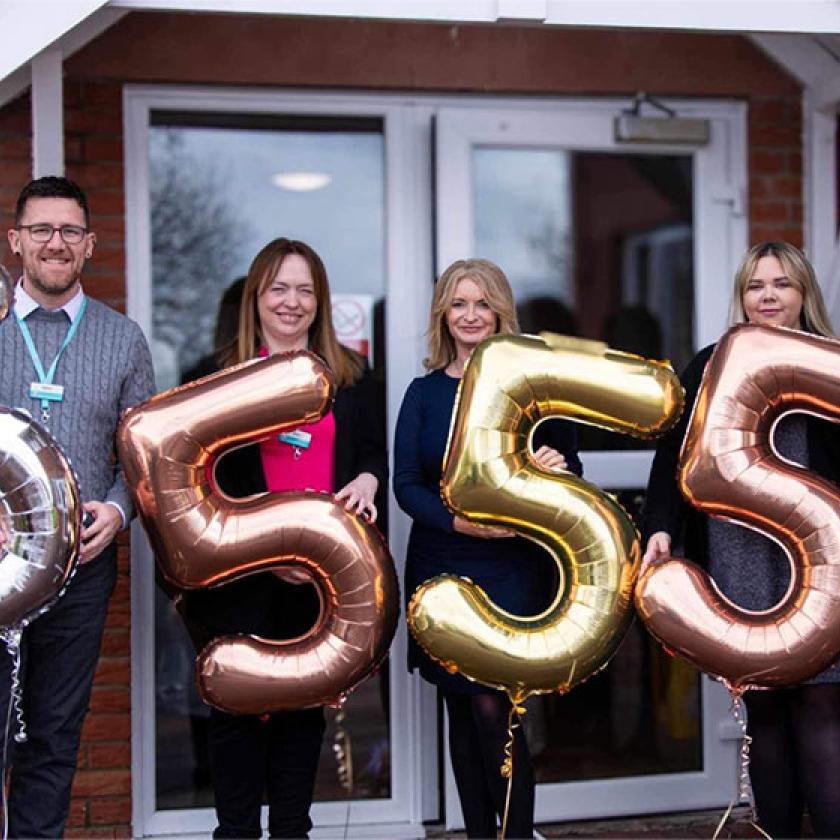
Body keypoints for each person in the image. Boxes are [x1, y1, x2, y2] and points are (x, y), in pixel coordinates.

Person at [181, 238, 387, 839]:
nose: (291, 302)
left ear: (320, 302)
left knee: (301, 718)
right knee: (236, 717)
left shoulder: (351, 376)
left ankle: (293, 832)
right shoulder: (215, 377)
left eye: (304, 290)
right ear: (256, 298)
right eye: (279, 289)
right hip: (239, 579)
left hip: (316, 581)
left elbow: (372, 453)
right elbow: (194, 481)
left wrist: (369, 478)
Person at [643, 241, 840, 839]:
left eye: (782, 284)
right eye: (756, 286)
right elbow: (670, 459)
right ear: (742, 295)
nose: (768, 296)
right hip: (739, 550)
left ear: (804, 294)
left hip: (824, 555)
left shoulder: (831, 362)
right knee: (766, 711)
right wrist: (661, 527)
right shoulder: (710, 364)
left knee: (822, 707)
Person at [394, 258, 582, 840]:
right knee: (459, 707)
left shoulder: (534, 389)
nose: (470, 315)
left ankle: (515, 834)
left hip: (510, 570)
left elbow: (571, 467)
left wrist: (558, 465)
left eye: (482, 303)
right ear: (443, 315)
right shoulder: (424, 393)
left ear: (501, 311)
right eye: (458, 304)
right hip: (443, 562)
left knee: (495, 711)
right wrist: (457, 522)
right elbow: (406, 484)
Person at [0, 176, 155, 837]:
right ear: (16, 242)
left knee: (54, 741)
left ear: (89, 245)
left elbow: (145, 460)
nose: (55, 243)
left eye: (69, 231)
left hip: (82, 577)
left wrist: (119, 511)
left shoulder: (124, 340)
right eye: (41, 230)